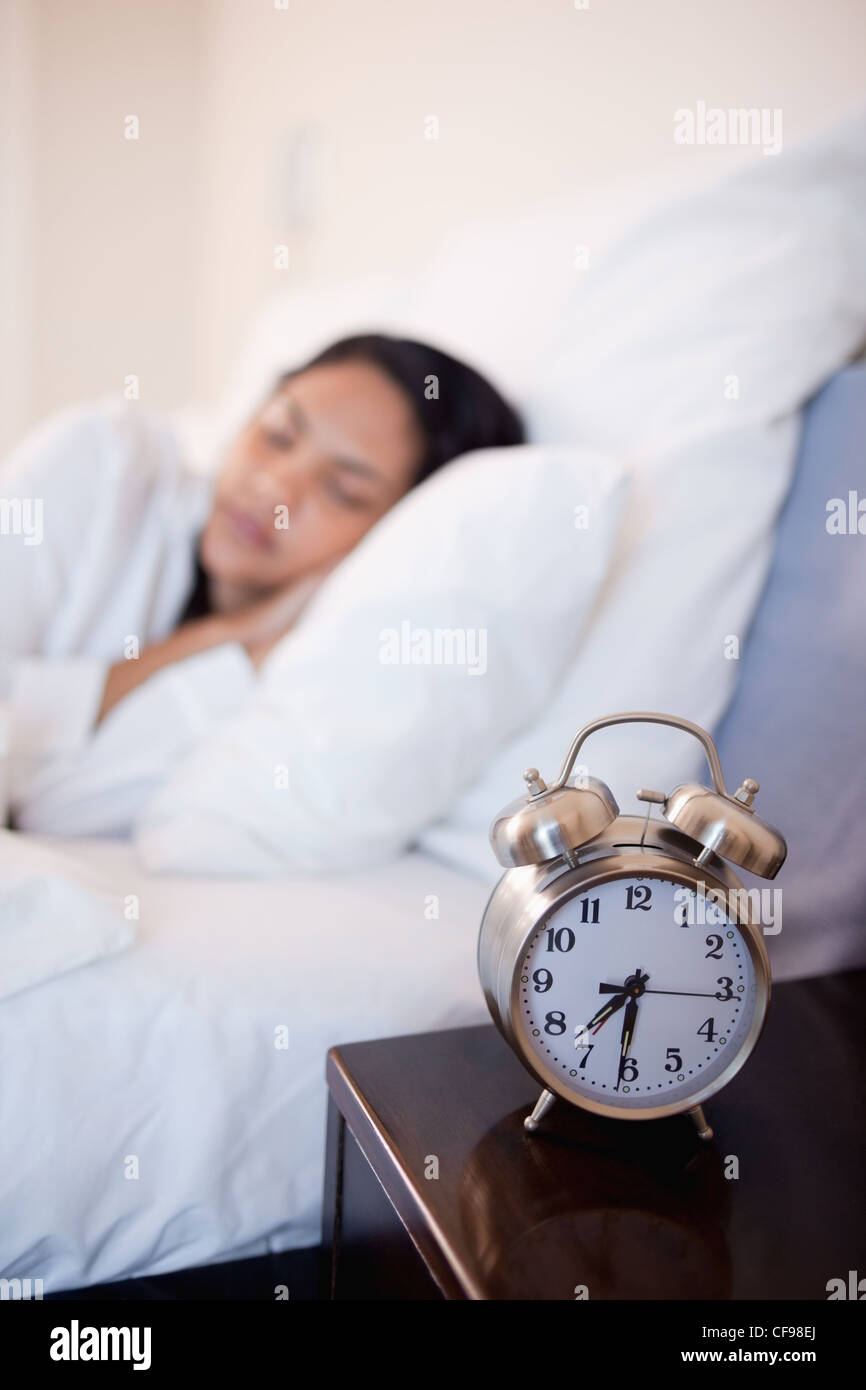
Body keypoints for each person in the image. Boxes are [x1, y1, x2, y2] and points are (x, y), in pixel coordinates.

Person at [0, 333, 523, 833]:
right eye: (277, 434)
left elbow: (51, 810)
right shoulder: (108, 463)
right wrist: (229, 630)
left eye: (342, 491)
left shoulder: (311, 677)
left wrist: (245, 645)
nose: (274, 487)